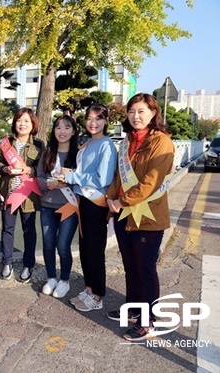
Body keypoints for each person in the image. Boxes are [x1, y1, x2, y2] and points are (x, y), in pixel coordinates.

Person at [105, 93, 174, 342]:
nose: (136, 116)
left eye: (142, 111)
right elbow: (117, 177)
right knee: (130, 266)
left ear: (154, 113)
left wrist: (120, 201)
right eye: (132, 111)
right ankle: (133, 310)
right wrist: (110, 201)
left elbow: (150, 182)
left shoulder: (162, 142)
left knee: (145, 269)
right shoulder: (127, 140)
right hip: (124, 214)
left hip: (148, 217)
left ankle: (149, 322)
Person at [63, 103, 117, 312]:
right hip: (82, 200)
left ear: (105, 121)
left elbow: (102, 178)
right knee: (85, 248)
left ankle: (98, 295)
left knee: (95, 250)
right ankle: (88, 288)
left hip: (96, 203)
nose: (93, 123)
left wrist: (72, 176)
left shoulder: (106, 145)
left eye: (98, 118)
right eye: (89, 118)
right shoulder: (86, 144)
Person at [0, 107, 44, 282]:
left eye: (26, 121)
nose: (22, 124)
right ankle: (7, 262)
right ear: (14, 123)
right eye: (19, 120)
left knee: (29, 230)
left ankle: (27, 264)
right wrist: (4, 168)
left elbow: (42, 168)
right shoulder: (5, 143)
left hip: (28, 195)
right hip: (9, 192)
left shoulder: (39, 145)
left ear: (33, 125)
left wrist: (30, 169)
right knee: (7, 229)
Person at [37, 116, 80, 299]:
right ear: (53, 131)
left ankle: (64, 280)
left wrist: (69, 181)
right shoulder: (48, 153)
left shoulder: (78, 155)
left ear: (73, 131)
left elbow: (82, 180)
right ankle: (51, 277)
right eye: (58, 127)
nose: (62, 131)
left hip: (69, 207)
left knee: (63, 246)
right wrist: (48, 184)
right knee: (48, 244)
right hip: (47, 206)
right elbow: (38, 178)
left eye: (67, 127)